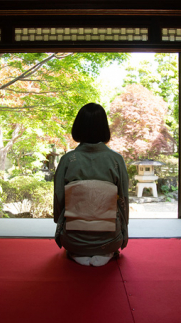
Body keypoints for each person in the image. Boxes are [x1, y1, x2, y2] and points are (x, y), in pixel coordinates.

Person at [53, 103, 129, 266]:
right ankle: (105, 251)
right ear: (104, 128)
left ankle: (78, 251)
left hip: (73, 240)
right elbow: (123, 200)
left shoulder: (68, 160)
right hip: (110, 240)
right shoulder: (116, 160)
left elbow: (59, 200)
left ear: (78, 128)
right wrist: (123, 233)